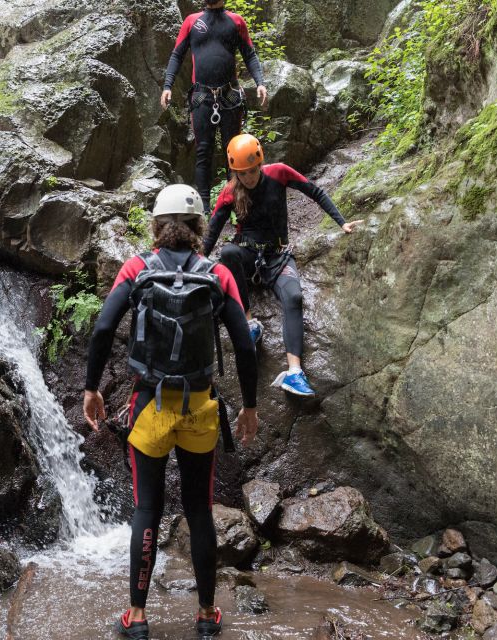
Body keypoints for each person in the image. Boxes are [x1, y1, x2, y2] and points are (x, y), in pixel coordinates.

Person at [83, 184, 259, 639]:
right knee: (199, 509)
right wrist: (251, 406)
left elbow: (104, 328)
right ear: (200, 226)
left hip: (150, 408)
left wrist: (91, 389)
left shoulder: (137, 268)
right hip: (199, 408)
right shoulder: (218, 274)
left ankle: (137, 618)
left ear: (157, 226)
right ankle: (205, 615)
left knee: (148, 508)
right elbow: (243, 343)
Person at [202, 133, 363, 397]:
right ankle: (250, 323)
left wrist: (341, 222)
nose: (250, 177)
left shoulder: (279, 173)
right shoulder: (230, 192)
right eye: (243, 173)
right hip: (246, 256)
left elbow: (315, 191)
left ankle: (295, 372)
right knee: (228, 253)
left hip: (278, 256)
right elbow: (211, 234)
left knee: (294, 296)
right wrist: (192, 263)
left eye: (253, 171)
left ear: (260, 164)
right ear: (235, 172)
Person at [160, 0, 269, 208]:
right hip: (202, 96)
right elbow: (177, 54)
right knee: (203, 152)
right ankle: (205, 211)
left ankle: (236, 206)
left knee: (234, 152)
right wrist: (168, 86)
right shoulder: (192, 22)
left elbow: (249, 54)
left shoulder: (236, 21)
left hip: (229, 96)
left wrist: (260, 83)